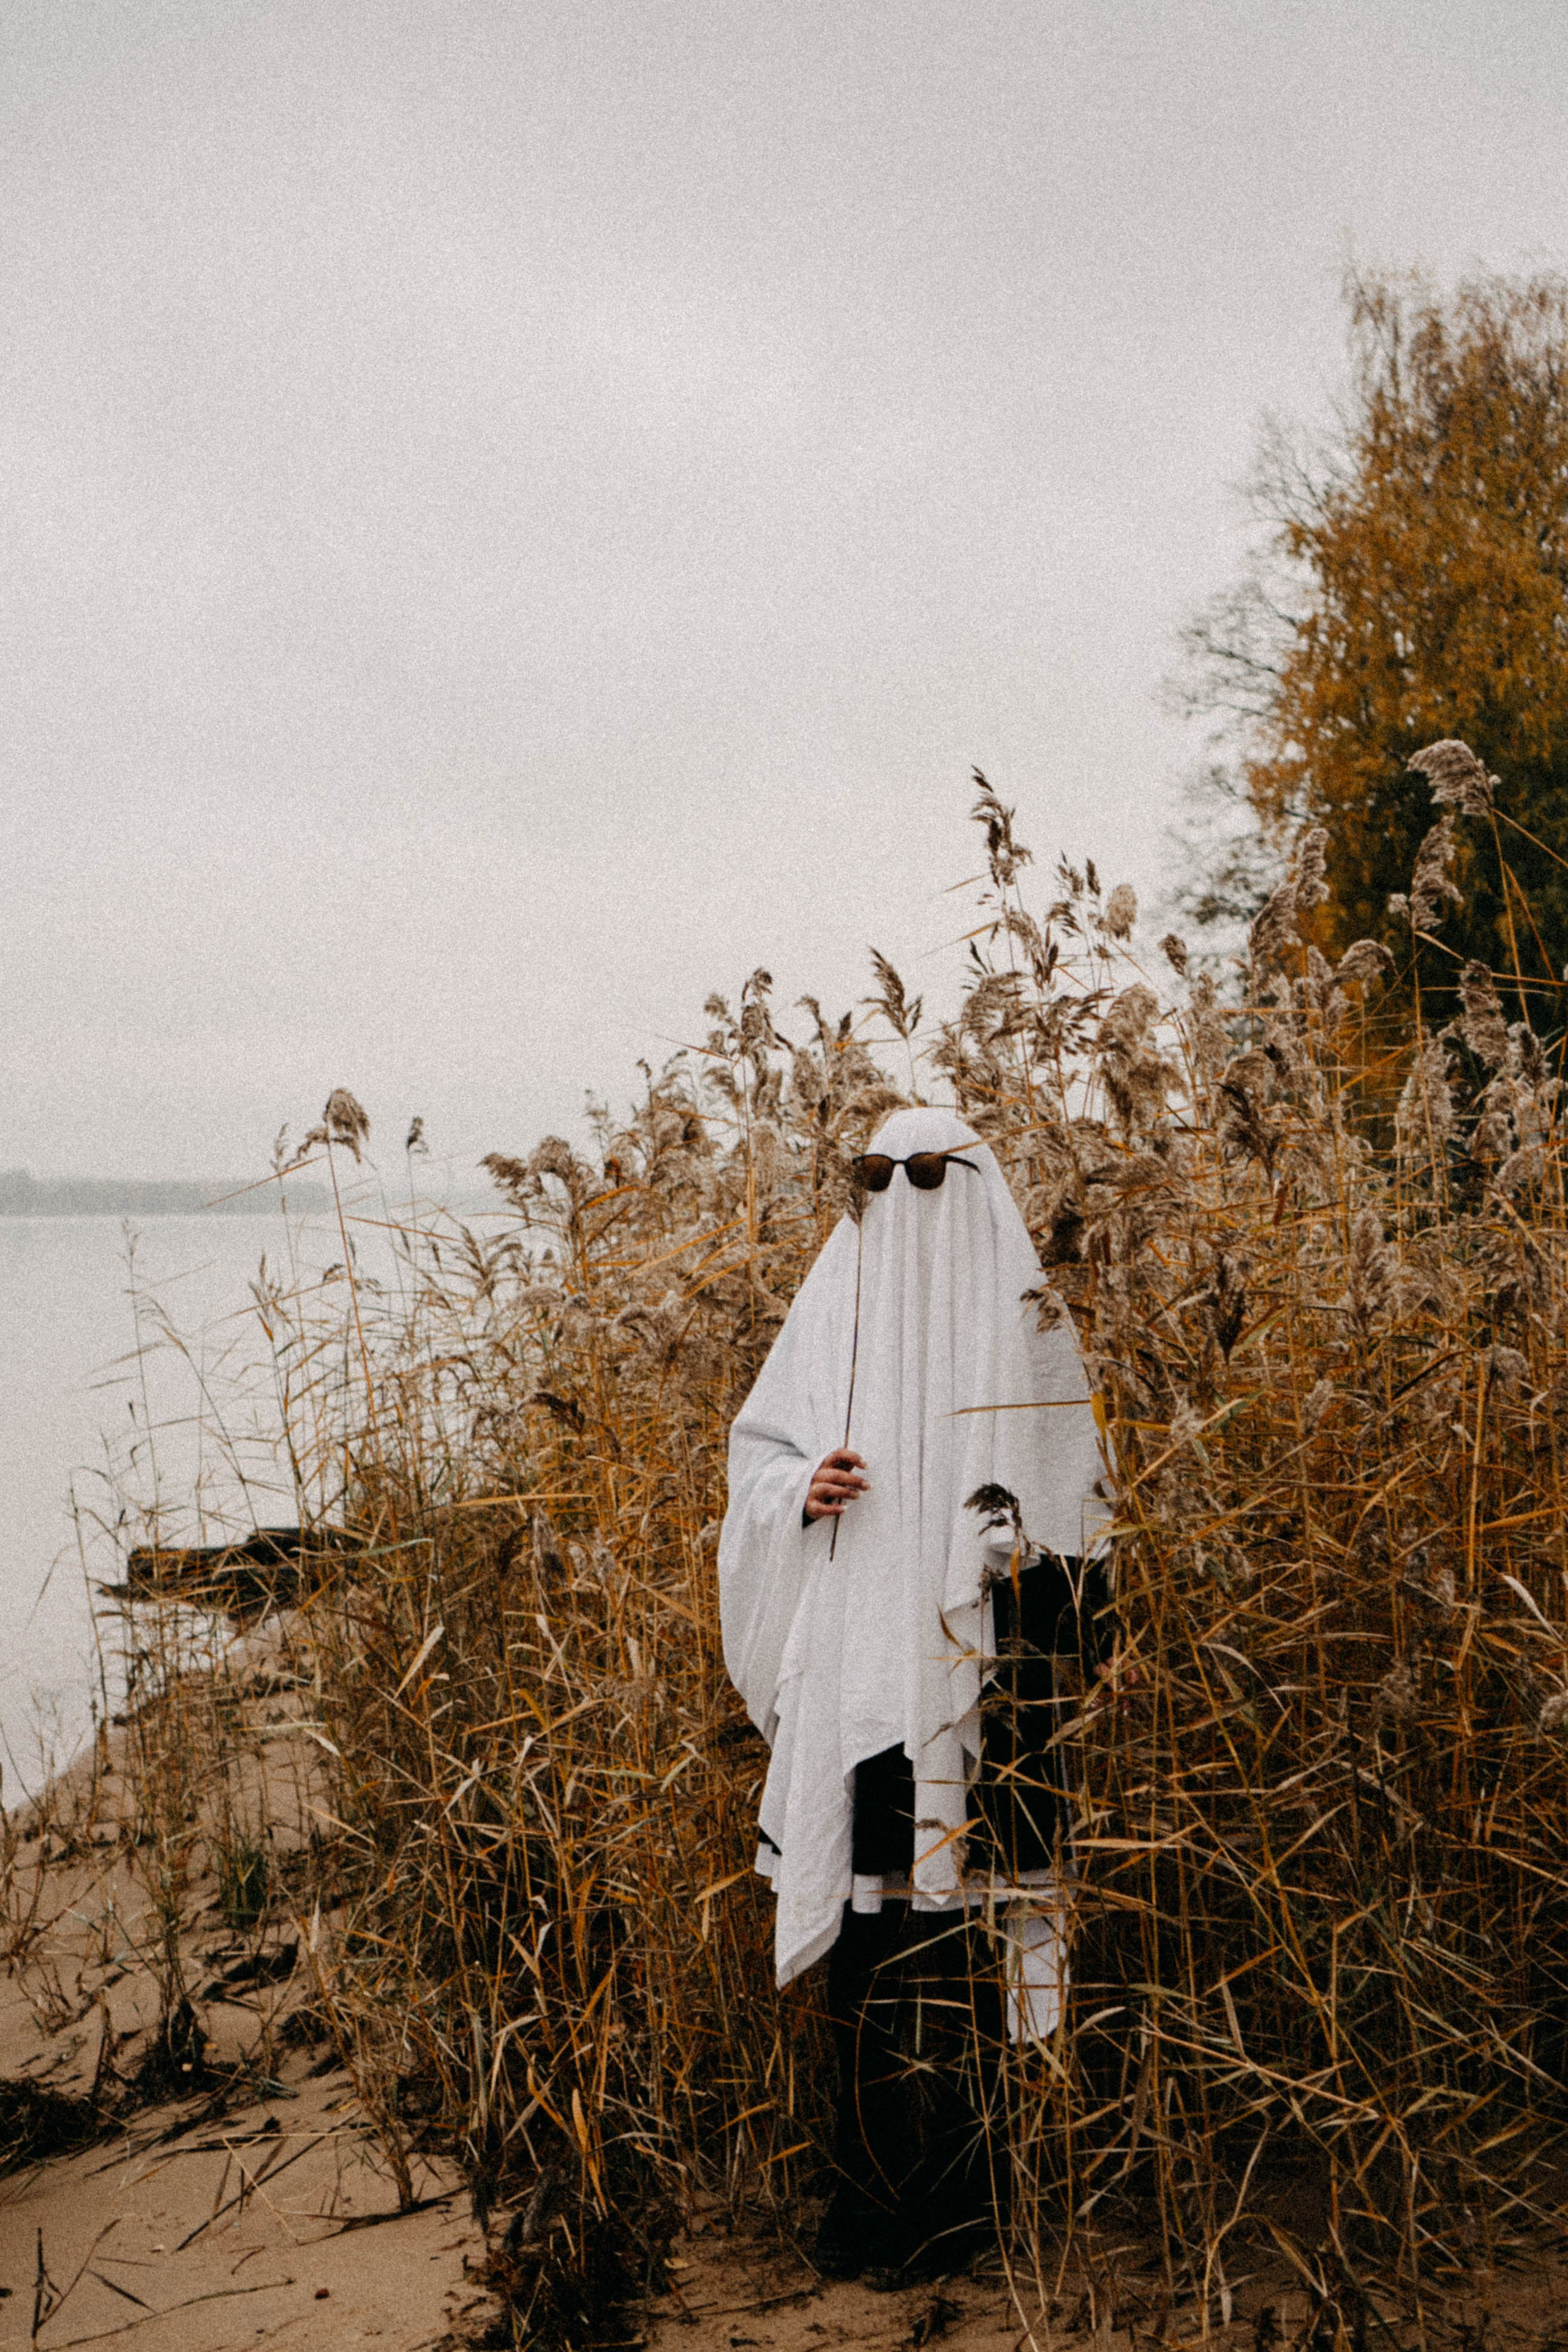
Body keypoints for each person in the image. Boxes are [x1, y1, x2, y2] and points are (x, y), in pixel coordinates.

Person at [718, 1107, 1112, 2285]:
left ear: (975, 1183)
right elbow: (759, 1451)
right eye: (879, 1179)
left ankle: (974, 2198)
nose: (904, 1200)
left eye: (930, 1176)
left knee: (978, 1936)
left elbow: (1078, 1499)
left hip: (994, 1679)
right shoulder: (837, 1300)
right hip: (865, 1678)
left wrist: (1078, 1652)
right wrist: (800, 1486)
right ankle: (867, 2202)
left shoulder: (1028, 1324)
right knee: (873, 1941)